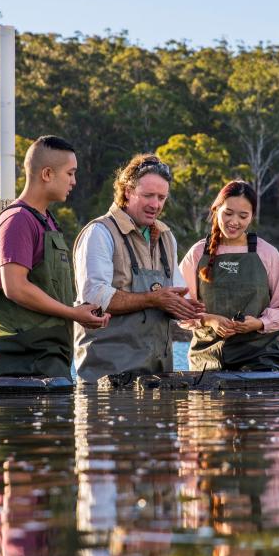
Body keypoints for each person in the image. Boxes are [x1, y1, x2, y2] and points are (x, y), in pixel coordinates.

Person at [0, 135, 109, 379]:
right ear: (47, 174)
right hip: (25, 364)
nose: (74, 181)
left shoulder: (47, 220)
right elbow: (15, 288)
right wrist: (73, 314)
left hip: (50, 357)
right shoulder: (17, 221)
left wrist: (81, 311)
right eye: (70, 173)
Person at [73, 153, 203, 383]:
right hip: (105, 382)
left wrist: (191, 310)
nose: (156, 204)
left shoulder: (166, 236)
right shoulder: (99, 233)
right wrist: (154, 299)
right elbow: (94, 298)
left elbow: (177, 292)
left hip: (158, 377)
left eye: (162, 197)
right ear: (127, 191)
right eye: (148, 195)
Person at [179, 180, 279, 372]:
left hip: (261, 355)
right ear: (216, 209)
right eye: (228, 213)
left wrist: (259, 323)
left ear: (251, 217)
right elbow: (178, 306)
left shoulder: (267, 253)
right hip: (207, 357)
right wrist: (209, 319)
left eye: (243, 216)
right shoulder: (198, 252)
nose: (235, 222)